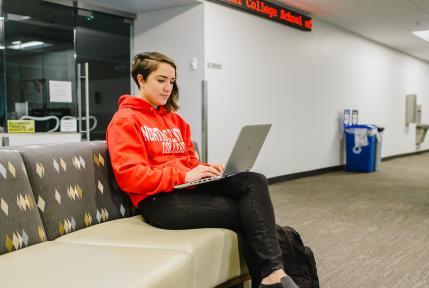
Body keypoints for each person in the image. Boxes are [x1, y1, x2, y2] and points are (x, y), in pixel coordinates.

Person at [106, 52, 298, 288]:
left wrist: (206, 168)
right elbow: (130, 176)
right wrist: (184, 175)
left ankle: (272, 276)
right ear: (141, 79)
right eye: (161, 80)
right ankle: (273, 277)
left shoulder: (176, 121)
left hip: (187, 189)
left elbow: (187, 160)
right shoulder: (125, 120)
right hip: (158, 201)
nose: (168, 88)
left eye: (172, 81)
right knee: (249, 215)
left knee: (253, 180)